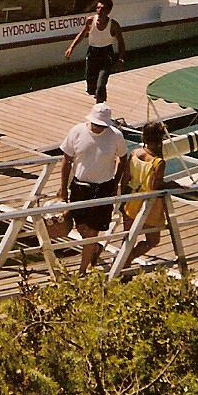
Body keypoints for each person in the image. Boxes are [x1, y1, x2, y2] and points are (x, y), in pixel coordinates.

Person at [58, 103, 128, 274]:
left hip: (103, 188)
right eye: (96, 124)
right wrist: (63, 188)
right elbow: (66, 161)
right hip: (80, 187)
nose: (98, 128)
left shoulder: (116, 136)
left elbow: (123, 158)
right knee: (82, 228)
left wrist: (116, 181)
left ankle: (82, 271)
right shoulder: (77, 131)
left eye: (102, 125)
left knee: (92, 232)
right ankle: (94, 249)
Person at [118, 120, 170, 270]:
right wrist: (173, 184)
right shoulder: (158, 162)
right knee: (152, 240)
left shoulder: (134, 153)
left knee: (128, 238)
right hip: (148, 206)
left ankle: (122, 264)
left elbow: (125, 179)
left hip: (131, 201)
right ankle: (128, 260)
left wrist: (122, 200)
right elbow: (155, 187)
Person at [63, 0, 125, 103]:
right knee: (91, 86)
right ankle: (99, 98)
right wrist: (71, 47)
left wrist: (120, 59)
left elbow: (121, 42)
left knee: (101, 84)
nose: (99, 11)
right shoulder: (90, 21)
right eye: (98, 8)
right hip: (92, 53)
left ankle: (101, 107)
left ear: (109, 11)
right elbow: (82, 34)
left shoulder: (113, 25)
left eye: (103, 9)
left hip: (106, 54)